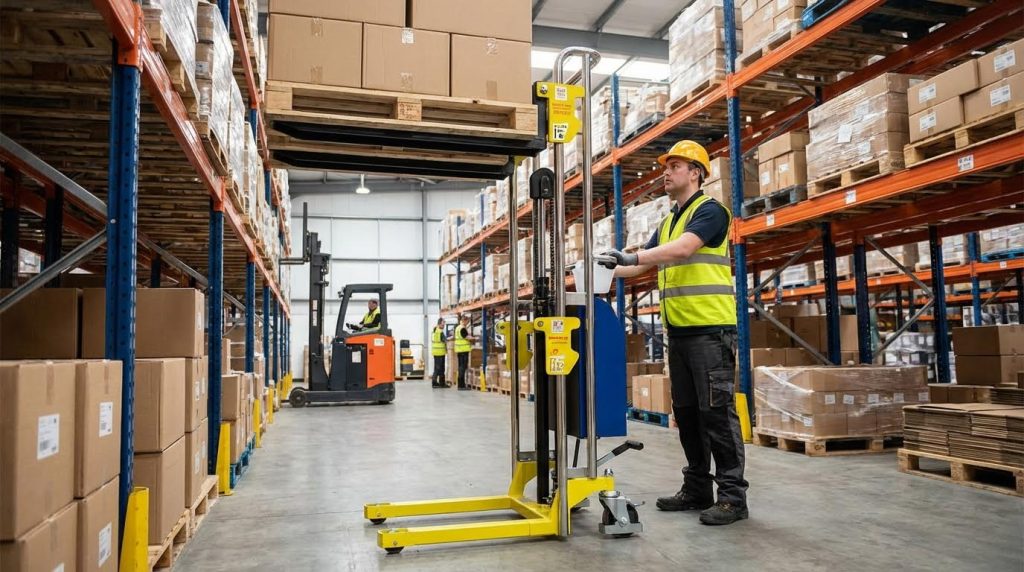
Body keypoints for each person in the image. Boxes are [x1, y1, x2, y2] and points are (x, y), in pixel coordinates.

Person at [601, 140, 748, 526]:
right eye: (666, 167)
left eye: (676, 165)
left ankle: (732, 497)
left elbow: (683, 251)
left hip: (710, 330)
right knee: (686, 413)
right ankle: (698, 487)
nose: (665, 172)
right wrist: (602, 268)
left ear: (696, 172)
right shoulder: (668, 221)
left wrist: (633, 257)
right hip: (679, 332)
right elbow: (639, 267)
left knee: (716, 414)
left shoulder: (711, 212)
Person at [454, 314, 474, 390]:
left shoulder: (457, 328)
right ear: (464, 320)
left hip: (459, 350)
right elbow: (466, 337)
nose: (468, 323)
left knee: (461, 367)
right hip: (463, 351)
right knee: (463, 368)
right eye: (467, 321)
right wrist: (474, 338)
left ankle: (461, 385)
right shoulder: (462, 328)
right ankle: (461, 386)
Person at [430, 318, 448, 388]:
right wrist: (449, 339)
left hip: (436, 352)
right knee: (439, 368)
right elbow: (445, 340)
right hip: (439, 352)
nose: (444, 325)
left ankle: (441, 383)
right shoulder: (440, 331)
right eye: (443, 323)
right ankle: (435, 383)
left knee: (438, 368)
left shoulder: (434, 330)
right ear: (440, 323)